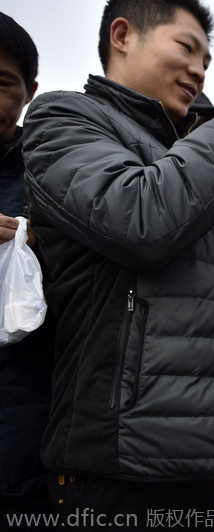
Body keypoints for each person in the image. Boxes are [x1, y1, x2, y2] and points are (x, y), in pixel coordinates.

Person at [22, 0, 214, 526]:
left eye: (207, 59)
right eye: (186, 47)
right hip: (123, 466)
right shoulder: (63, 116)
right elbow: (142, 220)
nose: (200, 70)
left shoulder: (193, 149)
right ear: (123, 34)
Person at [0, 11, 53, 518]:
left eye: (1, 83)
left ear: (29, 90)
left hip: (23, 421)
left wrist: (33, 244)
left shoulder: (48, 172)